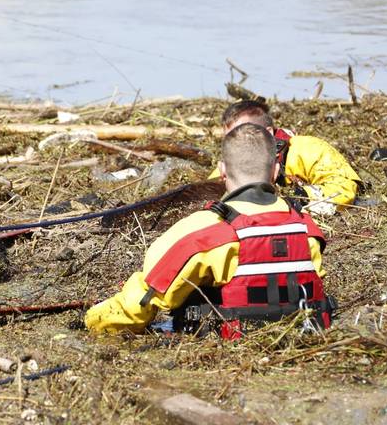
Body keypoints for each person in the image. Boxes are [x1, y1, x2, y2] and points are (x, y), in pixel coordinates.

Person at [85, 124, 335, 337]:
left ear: (222, 169)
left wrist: (92, 321)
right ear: (276, 171)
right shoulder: (307, 229)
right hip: (298, 336)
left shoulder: (203, 232)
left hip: (229, 346)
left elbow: (143, 302)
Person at [208, 100, 361, 215]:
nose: (235, 144)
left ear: (268, 132)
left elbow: (344, 188)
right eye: (230, 139)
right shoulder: (232, 161)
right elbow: (208, 192)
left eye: (242, 134)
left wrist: (297, 198)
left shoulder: (307, 149)